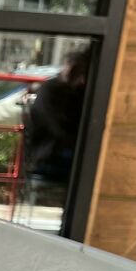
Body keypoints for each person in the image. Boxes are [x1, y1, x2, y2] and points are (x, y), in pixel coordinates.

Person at [24, 47, 90, 182]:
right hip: (51, 154)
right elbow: (58, 128)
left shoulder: (73, 90)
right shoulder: (52, 90)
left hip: (53, 152)